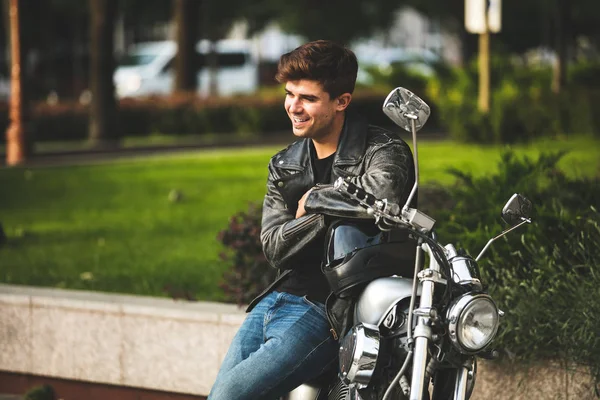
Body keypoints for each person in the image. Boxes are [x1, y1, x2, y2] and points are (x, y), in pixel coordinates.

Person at [208, 40, 416, 400]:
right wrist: (327, 215)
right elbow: (275, 246)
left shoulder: (383, 150)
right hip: (274, 301)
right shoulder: (284, 164)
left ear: (342, 102)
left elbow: (383, 197)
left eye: (307, 98)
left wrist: (314, 199)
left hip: (326, 312)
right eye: (290, 94)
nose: (293, 106)